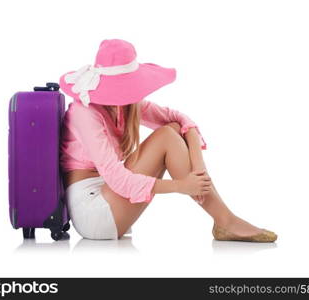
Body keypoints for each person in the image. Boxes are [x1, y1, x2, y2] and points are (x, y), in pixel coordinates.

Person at [59, 39, 277, 242]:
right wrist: (180, 186)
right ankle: (225, 220)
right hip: (93, 211)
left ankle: (224, 220)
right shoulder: (84, 113)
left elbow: (180, 120)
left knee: (171, 129)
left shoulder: (125, 105)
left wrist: (198, 167)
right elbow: (117, 179)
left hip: (109, 197)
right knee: (166, 136)